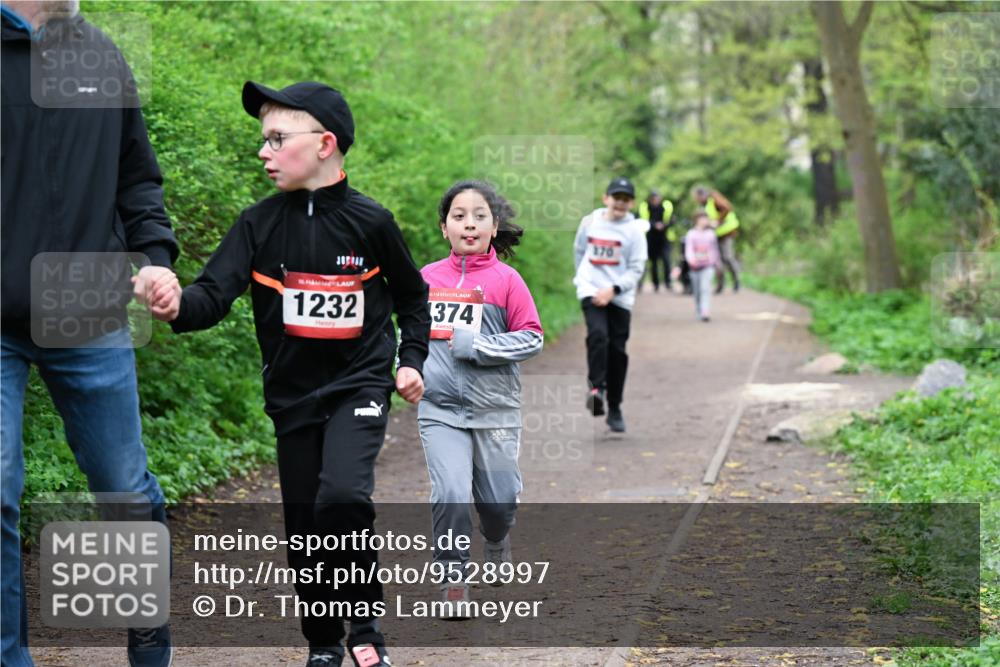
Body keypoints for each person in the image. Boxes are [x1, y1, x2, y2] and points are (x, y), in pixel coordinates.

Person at [158, 81, 429, 667]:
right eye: (264, 140)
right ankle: (324, 643)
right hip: (292, 397)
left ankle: (365, 627)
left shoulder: (371, 222)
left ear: (325, 144)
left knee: (343, 496)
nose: (264, 152)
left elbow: (412, 297)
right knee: (306, 523)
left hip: (360, 384)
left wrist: (410, 362)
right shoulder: (257, 224)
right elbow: (212, 294)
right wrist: (178, 305)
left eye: (277, 139)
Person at [2, 2, 179, 666]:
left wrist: (157, 259)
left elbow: (138, 179)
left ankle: (150, 655)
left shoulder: (102, 56)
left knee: (123, 487)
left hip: (90, 305)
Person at [418, 180, 543, 618]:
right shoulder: (426, 279)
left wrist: (482, 345)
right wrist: (405, 367)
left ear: (494, 227)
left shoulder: (508, 281)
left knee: (498, 501)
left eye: (479, 216)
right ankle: (454, 579)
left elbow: (532, 337)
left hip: (495, 409)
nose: (468, 223)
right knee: (450, 491)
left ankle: (496, 536)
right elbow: (408, 336)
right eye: (458, 216)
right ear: (444, 227)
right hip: (440, 409)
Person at [573, 177, 647, 433]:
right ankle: (596, 389)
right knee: (597, 335)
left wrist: (613, 290)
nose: (620, 203)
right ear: (606, 198)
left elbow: (637, 268)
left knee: (617, 351)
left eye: (626, 200)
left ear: (631, 203)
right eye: (616, 198)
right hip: (591, 290)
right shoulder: (590, 222)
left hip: (620, 296)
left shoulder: (635, 232)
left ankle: (614, 406)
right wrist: (583, 280)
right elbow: (579, 250)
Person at [692, 185, 740, 293]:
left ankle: (736, 280)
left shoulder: (713, 198)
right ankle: (720, 284)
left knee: (727, 257)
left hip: (727, 232)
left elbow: (727, 208)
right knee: (717, 260)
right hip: (715, 235)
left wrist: (718, 221)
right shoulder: (703, 205)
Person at [684, 209, 721, 322]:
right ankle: (699, 309)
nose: (704, 221)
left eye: (706, 218)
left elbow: (715, 250)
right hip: (694, 267)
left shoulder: (711, 234)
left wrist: (717, 263)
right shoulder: (691, 234)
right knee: (697, 291)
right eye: (702, 218)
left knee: (705, 288)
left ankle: (705, 311)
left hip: (708, 266)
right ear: (696, 220)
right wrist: (691, 260)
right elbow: (689, 249)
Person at [638, 191, 675, 292]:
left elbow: (672, 219)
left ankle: (668, 283)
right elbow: (643, 220)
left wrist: (664, 225)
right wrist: (654, 225)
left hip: (664, 238)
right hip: (651, 238)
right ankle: (656, 284)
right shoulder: (645, 207)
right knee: (653, 263)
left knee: (666, 261)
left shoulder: (666, 206)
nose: (656, 201)